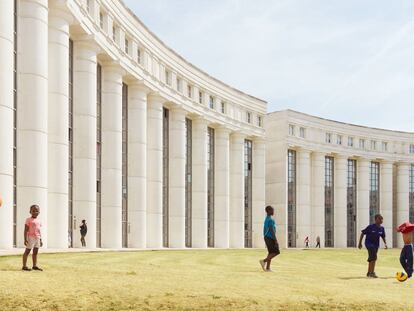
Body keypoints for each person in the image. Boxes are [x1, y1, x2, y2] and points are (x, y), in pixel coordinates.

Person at [358, 214, 387, 278]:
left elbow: (383, 236)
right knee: (374, 257)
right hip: (369, 243)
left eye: (382, 219)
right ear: (375, 219)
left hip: (376, 245)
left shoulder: (382, 228)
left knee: (372, 258)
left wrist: (385, 244)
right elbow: (363, 233)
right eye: (379, 219)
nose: (381, 220)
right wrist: (360, 243)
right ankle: (372, 273)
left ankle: (369, 272)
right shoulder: (370, 227)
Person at [22, 205, 43, 271]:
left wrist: (41, 239)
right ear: (30, 212)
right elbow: (25, 230)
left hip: (37, 238)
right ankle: (24, 266)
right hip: (31, 238)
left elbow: (39, 230)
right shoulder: (28, 220)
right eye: (33, 211)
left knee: (35, 252)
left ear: (39, 212)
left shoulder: (39, 221)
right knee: (27, 251)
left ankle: (34, 265)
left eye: (37, 211)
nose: (35, 212)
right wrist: (25, 239)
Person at [259, 205, 280, 272]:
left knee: (270, 252)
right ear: (268, 211)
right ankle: (263, 261)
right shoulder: (270, 220)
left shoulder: (267, 219)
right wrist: (275, 240)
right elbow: (272, 230)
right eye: (272, 210)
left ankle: (268, 268)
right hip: (269, 237)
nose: (273, 211)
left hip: (267, 237)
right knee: (276, 252)